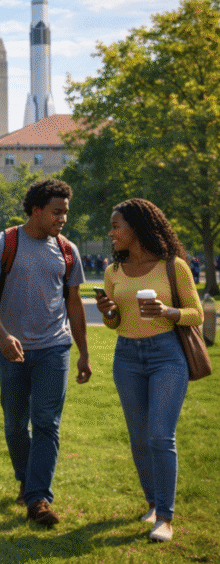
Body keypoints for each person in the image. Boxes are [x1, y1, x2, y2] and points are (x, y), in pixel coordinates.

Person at [0, 179, 91, 526]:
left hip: (54, 347)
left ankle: (39, 498)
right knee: (14, 425)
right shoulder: (2, 243)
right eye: (57, 212)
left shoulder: (68, 250)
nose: (62, 219)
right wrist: (3, 335)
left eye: (65, 213)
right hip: (12, 349)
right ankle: (28, 482)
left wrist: (84, 353)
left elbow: (74, 303)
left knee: (46, 422)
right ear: (36, 210)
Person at [94, 198, 202, 543]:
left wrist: (166, 310)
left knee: (159, 434)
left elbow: (197, 313)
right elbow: (113, 323)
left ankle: (166, 519)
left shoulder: (174, 266)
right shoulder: (113, 271)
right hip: (126, 356)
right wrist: (108, 310)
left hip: (167, 356)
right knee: (140, 438)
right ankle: (154, 504)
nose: (111, 233)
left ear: (136, 229)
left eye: (116, 227)